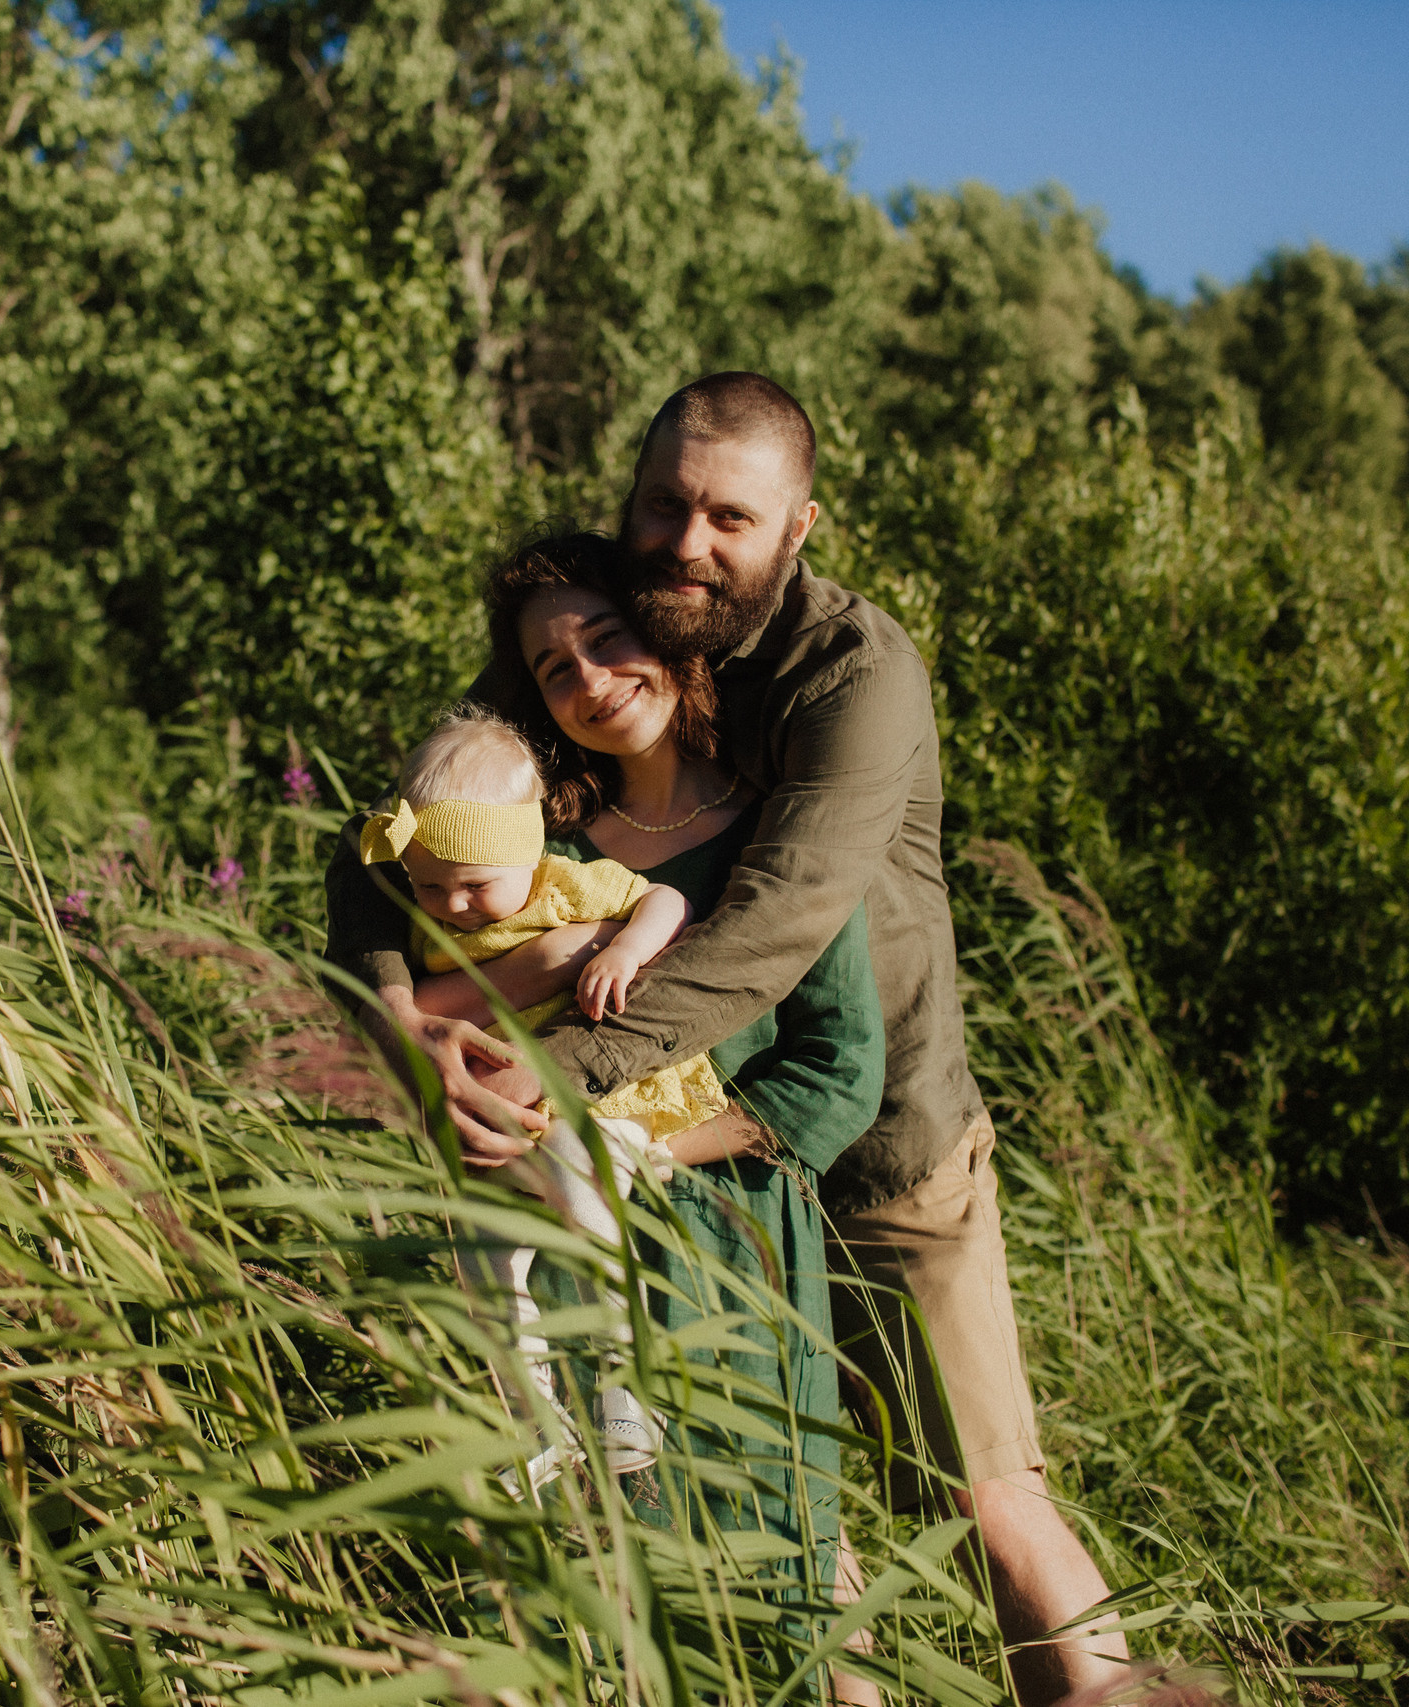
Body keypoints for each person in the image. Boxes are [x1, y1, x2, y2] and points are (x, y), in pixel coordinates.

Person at [326, 374, 1131, 1705]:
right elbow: (398, 832)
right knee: (789, 1531)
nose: (688, 543)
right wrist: (405, 1028)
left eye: (728, 518)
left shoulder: (851, 676)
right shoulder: (607, 630)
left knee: (983, 1500)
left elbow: (774, 929)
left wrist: (563, 1083)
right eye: (663, 505)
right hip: (697, 1191)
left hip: (877, 1150)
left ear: (796, 529)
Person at [411, 529, 882, 1699]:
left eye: (604, 638)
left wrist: (647, 1152)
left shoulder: (784, 834)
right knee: (620, 1598)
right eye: (552, 665)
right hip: (567, 1267)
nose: (584, 677)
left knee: (789, 1565)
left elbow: (836, 1070)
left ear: (669, 642)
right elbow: (413, 1012)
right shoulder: (527, 850)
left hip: (730, 1256)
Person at [364, 702, 728, 1478]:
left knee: (587, 1208)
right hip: (502, 1123)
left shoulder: (568, 887)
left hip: (595, 1100)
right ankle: (534, 1417)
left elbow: (666, 901)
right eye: (431, 886)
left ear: (526, 856)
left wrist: (625, 946)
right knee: (486, 1262)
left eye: (474, 884)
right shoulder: (431, 927)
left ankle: (627, 1388)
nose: (454, 904)